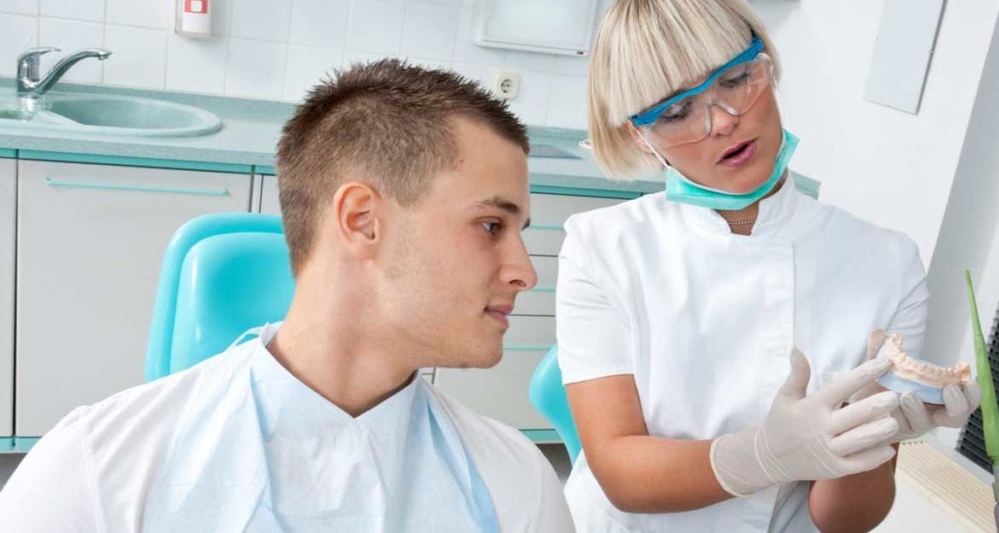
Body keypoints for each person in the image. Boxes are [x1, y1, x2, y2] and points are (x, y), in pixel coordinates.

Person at [0, 59, 573, 532]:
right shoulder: (96, 474)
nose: (525, 271)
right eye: (492, 226)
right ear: (363, 221)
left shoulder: (517, 484)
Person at [555, 0, 982, 531]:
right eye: (675, 111)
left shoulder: (886, 262)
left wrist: (880, 429)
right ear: (641, 138)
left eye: (735, 79)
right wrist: (764, 456)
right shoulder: (603, 246)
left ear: (769, 65)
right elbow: (622, 474)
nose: (721, 122)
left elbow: (841, 521)